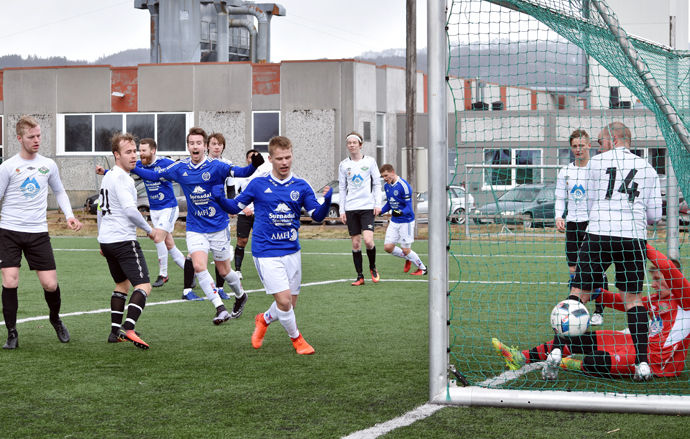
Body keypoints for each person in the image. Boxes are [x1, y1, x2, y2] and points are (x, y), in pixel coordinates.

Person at [492, 244, 690, 381]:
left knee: (595, 361)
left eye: (658, 279)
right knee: (582, 338)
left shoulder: (686, 299)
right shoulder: (655, 299)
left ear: (673, 279)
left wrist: (640, 243)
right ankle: (521, 357)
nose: (654, 285)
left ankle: (570, 364)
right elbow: (622, 302)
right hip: (640, 345)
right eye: (653, 279)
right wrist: (597, 293)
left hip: (660, 363)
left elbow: (667, 266)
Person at [211, 135, 332, 355]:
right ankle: (297, 340)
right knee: (284, 302)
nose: (284, 162)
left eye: (288, 157)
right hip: (266, 251)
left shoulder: (301, 186)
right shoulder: (258, 184)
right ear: (270, 159)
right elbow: (234, 205)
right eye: (279, 158)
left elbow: (316, 215)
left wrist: (327, 202)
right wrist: (220, 198)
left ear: (292, 155)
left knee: (290, 305)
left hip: (292, 251)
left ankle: (263, 319)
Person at [130, 127, 264, 325]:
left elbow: (242, 172)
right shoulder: (180, 168)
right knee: (199, 266)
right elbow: (154, 176)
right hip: (195, 227)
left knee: (225, 271)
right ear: (188, 146)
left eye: (199, 143)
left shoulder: (217, 166)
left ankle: (241, 295)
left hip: (218, 226)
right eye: (191, 143)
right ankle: (220, 308)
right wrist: (131, 166)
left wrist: (254, 165)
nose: (195, 146)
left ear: (205, 146)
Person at [569, 121, 662, 381]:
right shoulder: (648, 167)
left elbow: (588, 205)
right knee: (633, 300)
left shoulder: (596, 164)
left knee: (579, 293)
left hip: (599, 234)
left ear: (614, 139)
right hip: (632, 238)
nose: (598, 148)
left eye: (600, 142)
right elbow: (655, 215)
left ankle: (557, 350)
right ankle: (642, 364)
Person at [0, 115, 83, 349]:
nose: (37, 140)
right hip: (9, 231)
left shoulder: (48, 165)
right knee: (10, 281)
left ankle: (55, 318)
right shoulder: (7, 167)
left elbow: (60, 192)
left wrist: (69, 215)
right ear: (19, 138)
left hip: (38, 233)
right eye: (31, 137)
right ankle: (12, 333)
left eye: (39, 135)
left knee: (50, 285)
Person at [98, 133, 165, 349]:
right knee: (144, 285)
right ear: (117, 155)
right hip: (123, 240)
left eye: (135, 151)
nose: (134, 155)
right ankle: (129, 328)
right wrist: (149, 229)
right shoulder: (123, 178)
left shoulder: (107, 177)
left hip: (108, 241)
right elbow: (129, 211)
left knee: (121, 284)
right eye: (128, 152)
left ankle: (114, 332)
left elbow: (101, 210)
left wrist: (101, 239)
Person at [96, 138, 186, 288]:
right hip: (155, 209)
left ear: (153, 151)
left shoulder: (165, 163)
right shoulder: (138, 165)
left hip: (168, 207)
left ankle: (163, 274)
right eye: (138, 151)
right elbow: (121, 172)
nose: (139, 154)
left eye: (143, 151)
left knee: (158, 239)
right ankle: (191, 272)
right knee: (169, 244)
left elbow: (171, 173)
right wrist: (105, 172)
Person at [555, 130, 605, 325]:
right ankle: (577, 310)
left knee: (596, 268)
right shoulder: (565, 171)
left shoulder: (597, 169)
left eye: (581, 146)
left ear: (589, 146)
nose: (578, 149)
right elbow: (560, 197)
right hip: (573, 225)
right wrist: (559, 216)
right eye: (575, 146)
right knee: (574, 268)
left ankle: (599, 311)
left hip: (593, 224)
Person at [338, 131, 382, 286]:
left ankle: (373, 266)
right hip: (351, 208)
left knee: (369, 241)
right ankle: (360, 276)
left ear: (360, 145)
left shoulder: (369, 162)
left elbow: (377, 183)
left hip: (367, 207)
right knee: (356, 243)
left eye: (354, 142)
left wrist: (378, 204)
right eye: (349, 143)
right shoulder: (344, 165)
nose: (351, 145)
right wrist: (342, 210)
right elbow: (342, 188)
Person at [378, 164, 427, 275]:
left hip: (406, 222)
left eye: (386, 175)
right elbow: (390, 204)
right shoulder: (387, 186)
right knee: (388, 247)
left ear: (393, 172)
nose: (385, 178)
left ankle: (423, 269)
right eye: (383, 177)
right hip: (395, 221)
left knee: (406, 249)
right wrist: (380, 211)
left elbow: (409, 208)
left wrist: (400, 212)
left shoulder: (404, 186)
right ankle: (408, 257)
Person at [233, 149, 272, 279]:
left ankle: (266, 269)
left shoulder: (263, 174)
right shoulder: (242, 175)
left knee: (262, 240)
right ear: (247, 159)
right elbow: (234, 194)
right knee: (242, 241)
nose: (253, 159)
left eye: (255, 157)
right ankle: (238, 269)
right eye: (250, 157)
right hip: (245, 213)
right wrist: (243, 208)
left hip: (260, 214)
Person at [206, 132, 235, 299]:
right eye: (214, 143)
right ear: (208, 146)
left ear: (223, 147)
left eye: (220, 144)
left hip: (220, 209)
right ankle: (189, 287)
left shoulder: (227, 164)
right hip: (202, 209)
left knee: (220, 251)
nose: (217, 146)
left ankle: (219, 287)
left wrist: (230, 205)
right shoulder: (202, 163)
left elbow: (230, 188)